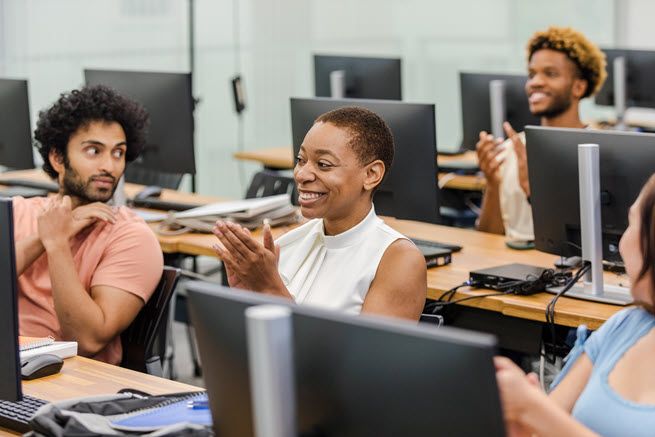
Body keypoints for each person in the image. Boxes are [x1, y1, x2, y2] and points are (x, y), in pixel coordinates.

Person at [213, 106, 426, 321]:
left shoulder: (399, 261)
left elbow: (367, 355)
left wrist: (270, 290)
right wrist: (248, 301)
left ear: (371, 174)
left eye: (323, 164)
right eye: (300, 160)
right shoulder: (288, 244)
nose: (301, 174)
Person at [495, 173, 655, 437]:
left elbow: (545, 418)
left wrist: (533, 409)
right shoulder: (625, 326)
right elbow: (541, 428)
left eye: (631, 223)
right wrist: (522, 416)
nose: (621, 245)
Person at [14, 85, 164, 365]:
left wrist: (57, 245)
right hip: (9, 372)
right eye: (94, 151)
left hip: (69, 385)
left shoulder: (130, 236)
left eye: (118, 153)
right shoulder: (20, 211)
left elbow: (87, 339)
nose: (109, 165)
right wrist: (44, 237)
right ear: (58, 158)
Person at [477, 26, 607, 241]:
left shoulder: (595, 156)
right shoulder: (511, 149)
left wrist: (533, 192)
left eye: (551, 73)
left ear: (578, 87)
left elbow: (587, 247)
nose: (535, 82)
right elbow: (487, 240)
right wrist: (493, 184)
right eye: (531, 74)